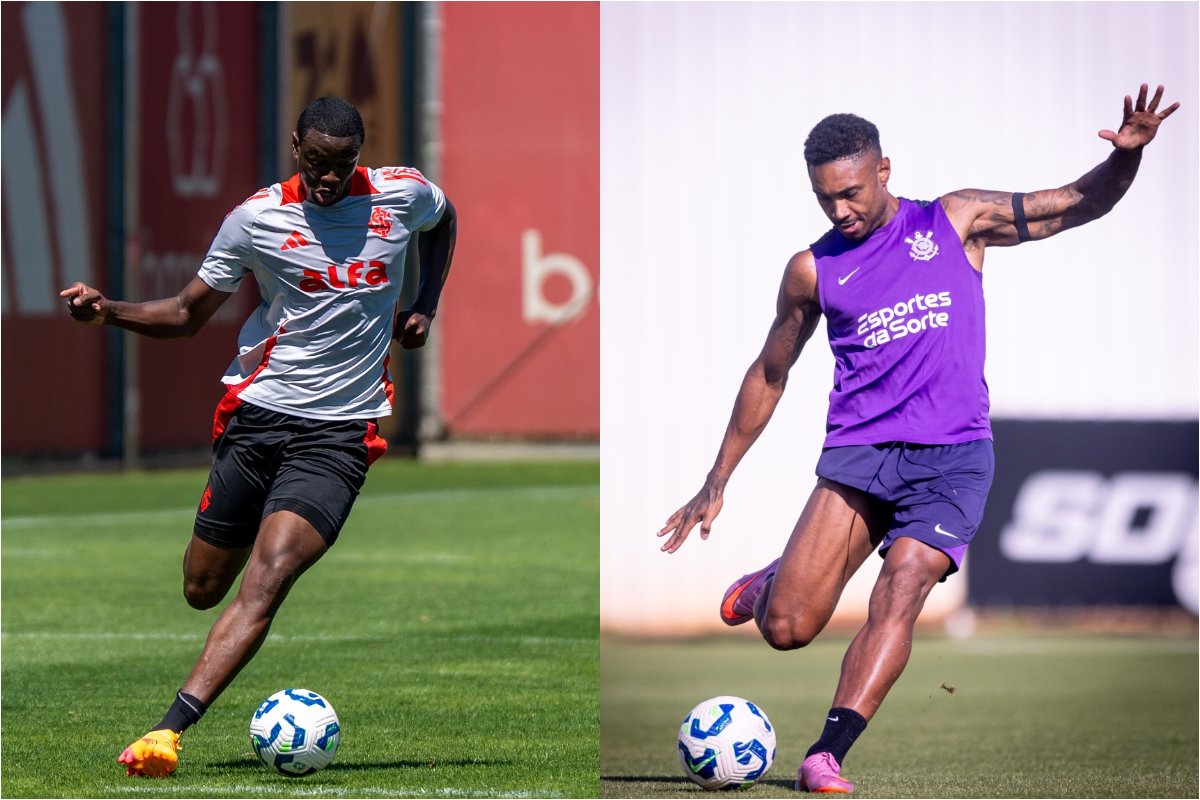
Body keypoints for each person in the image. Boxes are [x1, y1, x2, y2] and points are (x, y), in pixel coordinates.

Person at [658, 84, 1177, 793]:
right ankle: (775, 582)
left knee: (902, 586)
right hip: (861, 457)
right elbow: (771, 371)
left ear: (884, 170)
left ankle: (826, 753)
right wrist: (716, 480)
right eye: (824, 199)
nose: (840, 210)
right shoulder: (813, 270)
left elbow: (1078, 204)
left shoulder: (956, 220)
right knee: (786, 628)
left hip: (954, 460)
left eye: (850, 192)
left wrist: (1126, 160)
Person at [61, 96, 457, 778]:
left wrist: (425, 305)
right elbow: (186, 314)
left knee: (268, 577)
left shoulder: (402, 195)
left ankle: (168, 730)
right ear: (296, 148)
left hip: (337, 435)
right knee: (202, 587)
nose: (329, 178)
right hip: (258, 418)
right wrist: (109, 312)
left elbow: (444, 222)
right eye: (316, 163)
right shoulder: (257, 219)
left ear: (358, 156)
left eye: (342, 164)